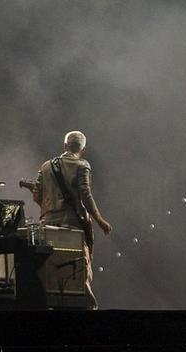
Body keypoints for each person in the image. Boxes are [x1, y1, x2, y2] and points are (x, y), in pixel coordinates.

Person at [31, 130, 112, 309]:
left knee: (49, 276)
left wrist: (50, 208)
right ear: (83, 150)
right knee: (78, 276)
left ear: (65, 146)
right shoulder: (82, 165)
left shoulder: (46, 166)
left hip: (47, 227)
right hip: (72, 229)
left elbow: (37, 195)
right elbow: (85, 195)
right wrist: (99, 220)